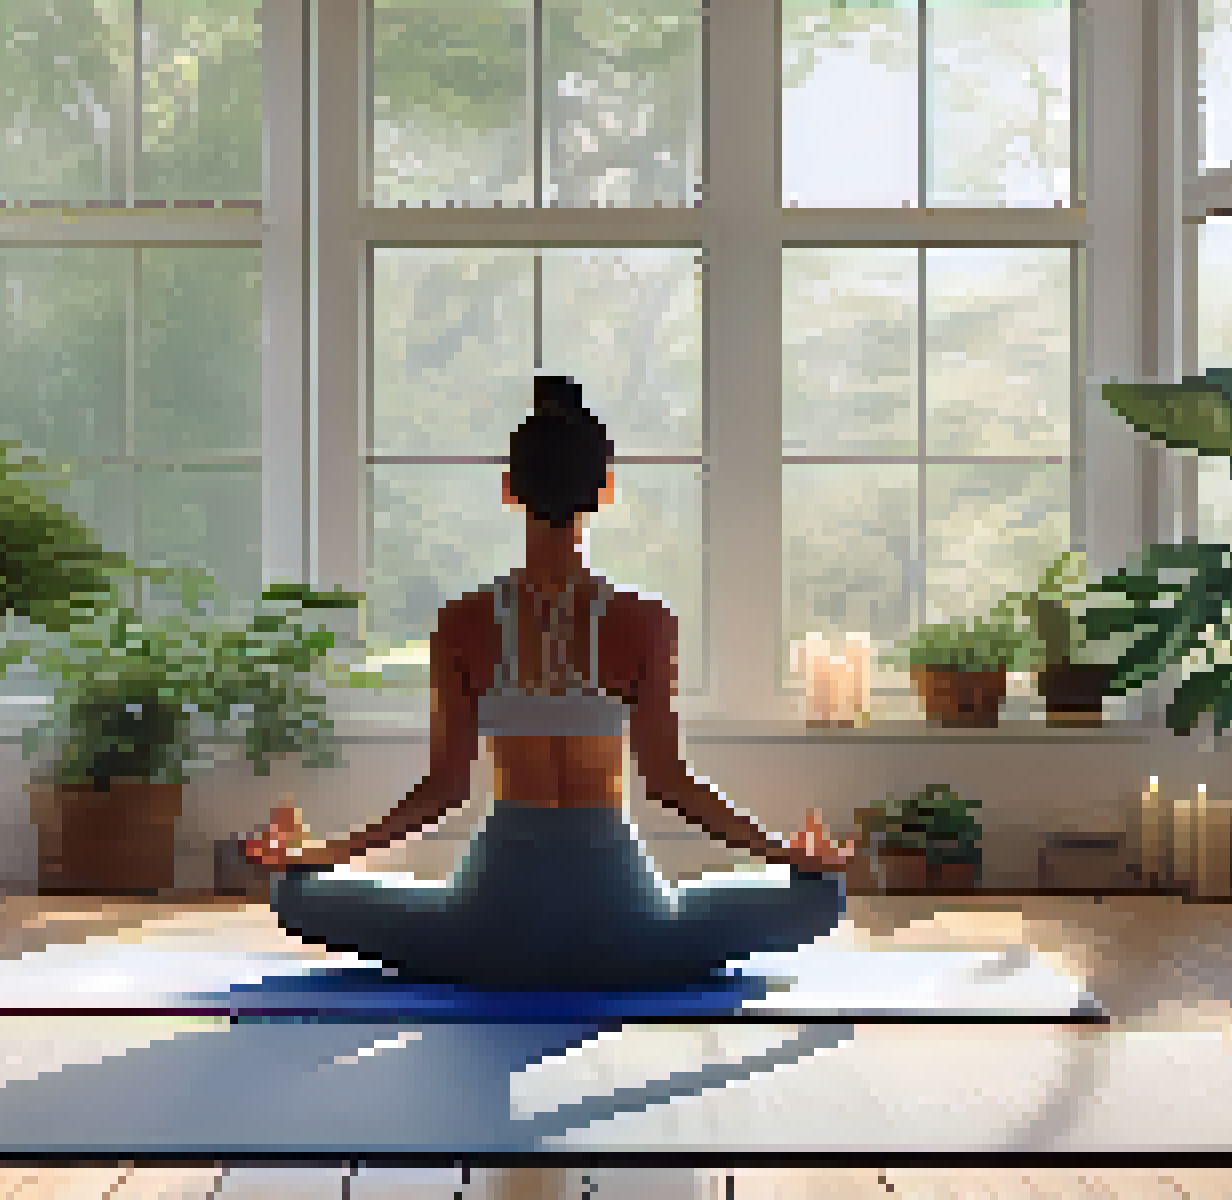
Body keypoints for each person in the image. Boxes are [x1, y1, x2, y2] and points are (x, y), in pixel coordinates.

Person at [243, 375, 853, 991]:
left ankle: (333, 881)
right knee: (822, 895)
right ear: (605, 490)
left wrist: (322, 854)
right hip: (627, 933)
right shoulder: (645, 623)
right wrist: (785, 854)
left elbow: (443, 792)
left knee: (296, 895)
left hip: (487, 932)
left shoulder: (463, 623)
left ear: (509, 490)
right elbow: (670, 784)